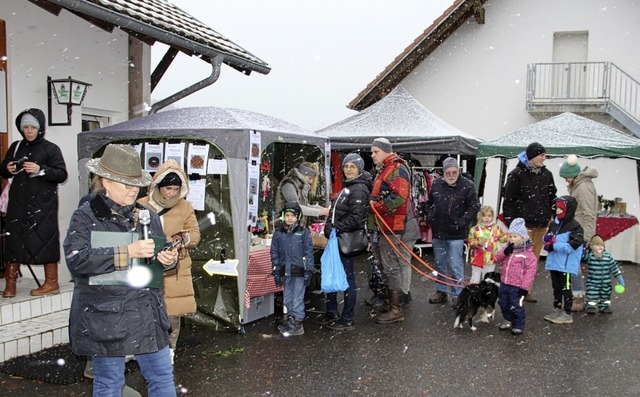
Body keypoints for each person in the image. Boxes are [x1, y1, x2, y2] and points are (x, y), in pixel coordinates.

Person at [63, 144, 178, 397]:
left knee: (162, 378)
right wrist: (127, 251)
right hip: (106, 316)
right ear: (105, 182)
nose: (132, 190)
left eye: (136, 184)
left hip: (147, 312)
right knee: (109, 383)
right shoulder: (85, 216)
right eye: (126, 184)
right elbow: (77, 260)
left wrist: (168, 258)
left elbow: (160, 257)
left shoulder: (147, 215)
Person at [138, 160, 201, 363]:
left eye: (176, 189)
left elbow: (195, 234)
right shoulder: (141, 205)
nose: (172, 193)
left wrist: (182, 240)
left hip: (176, 265)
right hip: (147, 263)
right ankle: (145, 348)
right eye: (168, 188)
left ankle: (170, 349)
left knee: (173, 311)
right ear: (158, 186)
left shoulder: (185, 207)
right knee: (145, 308)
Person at [1, 108, 68, 298]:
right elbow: (3, 169)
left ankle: (51, 282)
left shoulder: (51, 148)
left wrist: (42, 169)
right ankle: (10, 283)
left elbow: (62, 174)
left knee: (45, 239)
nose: (29, 131)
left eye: (33, 127)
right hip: (18, 202)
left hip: (43, 205)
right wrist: (8, 167)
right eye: (25, 127)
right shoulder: (15, 146)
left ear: (40, 128)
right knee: (14, 239)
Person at [316, 153, 372, 331]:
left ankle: (347, 318)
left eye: (352, 167)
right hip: (337, 239)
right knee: (333, 273)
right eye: (346, 166)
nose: (348, 169)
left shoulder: (358, 189)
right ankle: (332, 310)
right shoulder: (349, 187)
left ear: (359, 169)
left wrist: (335, 228)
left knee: (347, 279)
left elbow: (356, 218)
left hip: (344, 240)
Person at [502, 142, 557, 303]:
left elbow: (552, 197)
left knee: (533, 261)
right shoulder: (516, 174)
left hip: (541, 224)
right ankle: (514, 288)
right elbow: (509, 201)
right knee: (519, 259)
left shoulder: (547, 174)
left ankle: (526, 289)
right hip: (523, 227)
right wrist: (513, 224)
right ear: (532, 156)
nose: (544, 158)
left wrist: (552, 216)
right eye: (541, 155)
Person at [426, 157, 479, 308]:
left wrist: (461, 222)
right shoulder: (436, 183)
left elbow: (474, 206)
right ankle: (441, 291)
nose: (451, 175)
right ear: (443, 172)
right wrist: (431, 217)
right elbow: (429, 203)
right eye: (448, 172)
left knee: (456, 265)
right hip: (439, 232)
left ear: (458, 171)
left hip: (456, 233)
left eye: (454, 172)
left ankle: (457, 295)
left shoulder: (467, 185)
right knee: (439, 264)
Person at [368, 137, 411, 324]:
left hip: (391, 226)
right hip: (381, 225)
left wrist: (378, 206)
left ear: (386, 151)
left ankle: (396, 309)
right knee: (384, 266)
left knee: (391, 267)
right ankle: (389, 303)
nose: (372, 155)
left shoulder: (397, 168)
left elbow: (401, 197)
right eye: (372, 152)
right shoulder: (384, 169)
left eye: (376, 152)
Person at [559, 154, 599, 312]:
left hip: (580, 232)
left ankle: (578, 298)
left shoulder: (582, 188)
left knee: (573, 266)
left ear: (572, 175)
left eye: (566, 178)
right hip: (577, 230)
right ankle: (578, 296)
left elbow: (588, 214)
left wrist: (586, 237)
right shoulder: (579, 185)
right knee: (573, 265)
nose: (565, 181)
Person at [271, 202, 314, 336]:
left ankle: (298, 321)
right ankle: (291, 319)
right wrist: (276, 269)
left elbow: (308, 252)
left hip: (299, 271)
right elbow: (274, 252)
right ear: (283, 216)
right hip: (285, 270)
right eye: (287, 215)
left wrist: (309, 270)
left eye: (293, 216)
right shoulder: (278, 234)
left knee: (297, 297)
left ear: (298, 217)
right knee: (288, 297)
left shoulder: (303, 233)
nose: (290, 218)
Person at [542, 195, 584, 325]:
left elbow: (573, 245)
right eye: (557, 208)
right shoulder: (554, 224)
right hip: (555, 263)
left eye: (561, 209)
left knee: (566, 288)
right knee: (556, 287)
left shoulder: (575, 227)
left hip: (565, 265)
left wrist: (555, 245)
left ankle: (567, 312)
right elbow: (548, 236)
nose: (558, 211)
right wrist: (546, 240)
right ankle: (557, 308)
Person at [495, 218, 537, 336]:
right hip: (504, 282)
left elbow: (530, 271)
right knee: (503, 302)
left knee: (515, 305)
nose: (512, 239)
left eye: (515, 237)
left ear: (523, 238)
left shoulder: (527, 254)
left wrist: (525, 287)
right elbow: (497, 259)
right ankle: (508, 319)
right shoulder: (508, 249)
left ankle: (518, 324)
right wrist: (505, 253)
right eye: (511, 237)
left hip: (517, 285)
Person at [275, 161, 329, 227]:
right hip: (284, 227)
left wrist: (319, 208)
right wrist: (319, 212)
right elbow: (296, 207)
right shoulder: (289, 185)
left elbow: (303, 205)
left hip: (292, 227)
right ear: (302, 174)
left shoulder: (298, 185)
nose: (311, 182)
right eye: (310, 178)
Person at [582, 235, 624, 314]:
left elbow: (614, 267)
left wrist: (619, 277)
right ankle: (591, 307)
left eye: (601, 245)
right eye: (597, 245)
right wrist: (582, 248)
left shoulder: (608, 256)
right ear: (592, 246)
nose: (600, 247)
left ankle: (604, 306)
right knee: (592, 294)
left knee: (606, 294)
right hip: (593, 282)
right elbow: (582, 257)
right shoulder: (590, 256)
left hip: (606, 282)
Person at [467, 205, 507, 284]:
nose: (487, 218)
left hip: (490, 258)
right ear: (480, 216)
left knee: (488, 278)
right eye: (484, 216)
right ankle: (474, 293)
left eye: (489, 216)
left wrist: (509, 236)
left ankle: (486, 293)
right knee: (475, 277)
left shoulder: (497, 228)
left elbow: (503, 239)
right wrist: (477, 243)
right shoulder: (475, 229)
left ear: (492, 217)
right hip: (477, 257)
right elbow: (470, 243)